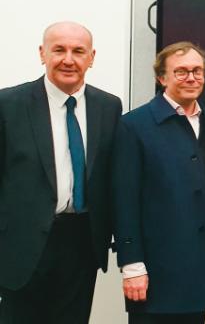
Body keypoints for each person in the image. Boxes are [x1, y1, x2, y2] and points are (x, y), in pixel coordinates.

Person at [0, 21, 122, 324]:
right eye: (59, 50)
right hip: (22, 247)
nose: (68, 59)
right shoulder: (8, 105)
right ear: (43, 54)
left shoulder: (108, 107)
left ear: (91, 57)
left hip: (81, 245)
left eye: (78, 51)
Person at [111, 42, 205, 324]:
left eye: (197, 71)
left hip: (199, 276)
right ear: (162, 78)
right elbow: (124, 200)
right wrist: (132, 265)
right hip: (155, 276)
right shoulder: (134, 125)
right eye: (181, 71)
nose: (191, 78)